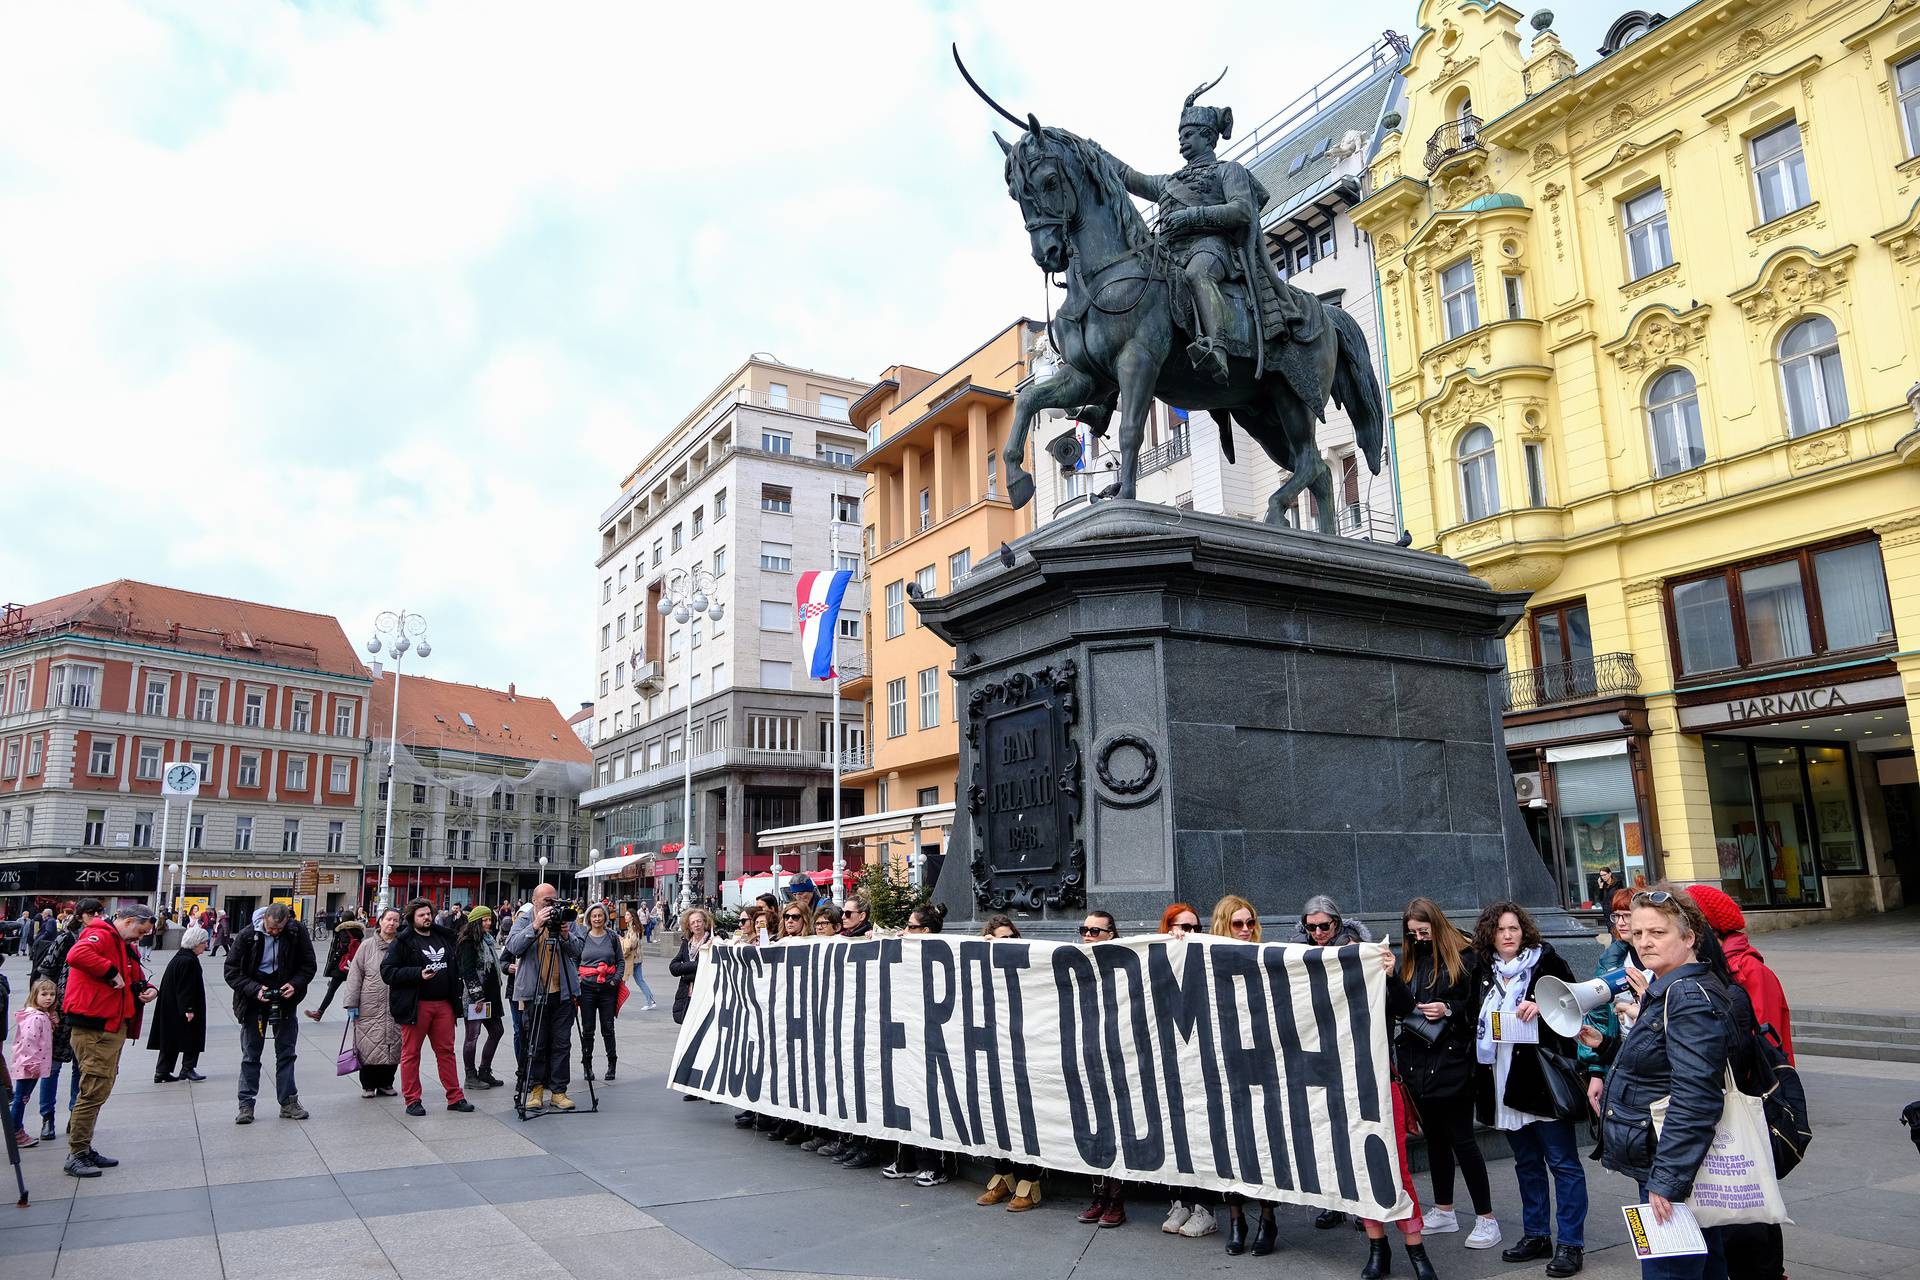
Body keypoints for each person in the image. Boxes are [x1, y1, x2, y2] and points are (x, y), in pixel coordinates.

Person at [1592, 887, 1737, 1280]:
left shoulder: (1686, 995)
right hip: (1673, 1164)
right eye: (1637, 934)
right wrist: (1606, 1048)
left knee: (1672, 1273)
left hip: (1671, 1169)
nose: (1643, 942)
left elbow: (1697, 1097)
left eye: (1657, 932)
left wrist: (1667, 1181)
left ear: (1688, 937)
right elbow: (1661, 1069)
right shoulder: (1670, 988)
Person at [1473, 901, 1587, 1277]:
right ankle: (1537, 1234)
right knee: (1526, 1163)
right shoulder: (1483, 970)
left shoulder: (1546, 963)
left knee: (1563, 1163)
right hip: (1502, 1079)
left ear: (1524, 932)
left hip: (1541, 1080)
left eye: (1514, 929)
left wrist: (1541, 1006)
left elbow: (1576, 1005)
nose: (1508, 936)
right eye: (1501, 929)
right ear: (1490, 933)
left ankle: (1571, 1243)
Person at [1687, 884, 1790, 1280]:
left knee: (1751, 1213)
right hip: (1719, 1107)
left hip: (1745, 1104)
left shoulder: (1748, 971)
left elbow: (1761, 1049)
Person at [1394, 898, 1499, 1251]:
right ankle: (1444, 1209)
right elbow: (1401, 1007)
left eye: (1424, 932)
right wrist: (1392, 979)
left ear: (1437, 926)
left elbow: (1478, 1010)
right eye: (1412, 934)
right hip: (1418, 1059)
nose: (1419, 938)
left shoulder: (1465, 958)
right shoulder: (1411, 960)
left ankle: (1486, 1218)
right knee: (1436, 1138)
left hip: (1453, 1058)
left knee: (1461, 1139)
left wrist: (1448, 1009)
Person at [1292, 894, 1375, 1230]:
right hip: (1317, 1048)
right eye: (1311, 927)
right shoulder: (1300, 951)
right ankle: (1333, 1201)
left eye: (1323, 926)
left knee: (1356, 1130)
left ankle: (1361, 1203)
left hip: (1353, 1050)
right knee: (1325, 1132)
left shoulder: (1353, 949)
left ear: (1337, 923)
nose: (1317, 933)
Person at [1206, 895, 1279, 1253]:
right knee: (1229, 1143)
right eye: (1238, 924)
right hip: (1222, 1064)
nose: (1246, 930)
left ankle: (1268, 1218)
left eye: (1250, 922)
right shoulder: (1203, 959)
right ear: (1223, 925)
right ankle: (1236, 1219)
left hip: (1260, 1061)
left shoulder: (1266, 957)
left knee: (1263, 1142)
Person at [62, 903, 157, 1178]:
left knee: (100, 1088)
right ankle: (77, 1152)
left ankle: (84, 1147)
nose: (140, 937)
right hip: (95, 1027)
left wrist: (149, 989)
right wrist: (108, 971)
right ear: (128, 921)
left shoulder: (124, 945)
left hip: (112, 1026)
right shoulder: (101, 934)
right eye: (140, 931)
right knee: (92, 1090)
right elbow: (77, 954)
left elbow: (136, 978)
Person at [1154, 902, 1220, 1241]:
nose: (1188, 933)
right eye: (1180, 926)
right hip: (1170, 1057)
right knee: (1174, 1130)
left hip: (1200, 1059)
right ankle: (1181, 1199)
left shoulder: (1206, 958)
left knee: (1199, 1132)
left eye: (1194, 927)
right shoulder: (1155, 959)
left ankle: (1204, 1209)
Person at [224, 902, 317, 1125]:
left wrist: (295, 984)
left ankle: (288, 1102)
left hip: (285, 999)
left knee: (286, 1052)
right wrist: (255, 989)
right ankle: (246, 1104)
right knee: (251, 1054)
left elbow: (308, 965)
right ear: (264, 919)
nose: (275, 933)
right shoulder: (248, 935)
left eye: (279, 929)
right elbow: (231, 971)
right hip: (254, 1000)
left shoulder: (296, 932)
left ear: (287, 922)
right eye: (271, 928)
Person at [383, 898, 472, 1117]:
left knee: (446, 1052)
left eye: (429, 914)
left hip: (443, 1004)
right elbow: (387, 972)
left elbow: (462, 941)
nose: (427, 918)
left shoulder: (443, 936)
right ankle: (412, 1100)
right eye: (422, 914)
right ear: (412, 917)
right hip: (416, 1006)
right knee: (411, 1054)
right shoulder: (403, 941)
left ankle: (455, 1097)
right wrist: (417, 974)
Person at [503, 882, 582, 1112]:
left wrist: (566, 935)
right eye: (547, 900)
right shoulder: (525, 919)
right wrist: (536, 925)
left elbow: (578, 950)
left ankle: (558, 1092)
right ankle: (536, 1090)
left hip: (563, 992)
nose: (551, 904)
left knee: (561, 1044)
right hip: (534, 993)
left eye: (554, 899)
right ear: (535, 901)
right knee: (535, 1044)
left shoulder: (566, 919)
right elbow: (513, 947)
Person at [1075, 909, 1130, 1229]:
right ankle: (1099, 1195)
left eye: (1096, 931)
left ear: (1112, 935)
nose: (1088, 935)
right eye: (1084, 929)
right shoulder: (1074, 961)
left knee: (1115, 1130)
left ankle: (1116, 1201)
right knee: (1093, 1129)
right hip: (1087, 1056)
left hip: (1119, 1058)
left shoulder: (1124, 964)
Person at [34, 898, 98, 1139]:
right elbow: (46, 969)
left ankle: (75, 1115)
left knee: (80, 1068)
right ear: (81, 915)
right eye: (91, 913)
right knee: (53, 1066)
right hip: (60, 1011)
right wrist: (48, 1007)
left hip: (84, 1012)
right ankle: (47, 1117)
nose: (96, 917)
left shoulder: (98, 940)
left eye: (99, 913)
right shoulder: (67, 938)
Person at [343, 907, 404, 1098]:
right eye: (388, 919)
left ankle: (386, 1082)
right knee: (368, 1045)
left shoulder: (402, 945)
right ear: (380, 921)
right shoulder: (367, 946)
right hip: (369, 1003)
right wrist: (351, 1003)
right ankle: (368, 1085)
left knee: (393, 1044)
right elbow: (355, 975)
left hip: (396, 1003)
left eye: (396, 920)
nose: (392, 923)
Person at [148, 926, 208, 1083]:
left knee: (170, 1039)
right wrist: (189, 1008)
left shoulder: (180, 958)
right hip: (184, 1006)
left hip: (171, 1006)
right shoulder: (189, 961)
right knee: (192, 1036)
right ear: (196, 943)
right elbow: (186, 987)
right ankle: (188, 1068)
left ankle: (162, 1071)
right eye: (204, 942)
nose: (206, 946)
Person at [456, 906, 506, 1091]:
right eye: (485, 920)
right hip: (476, 998)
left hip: (491, 996)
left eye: (490, 920)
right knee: (472, 1036)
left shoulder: (488, 940)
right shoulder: (468, 942)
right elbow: (467, 971)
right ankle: (470, 1076)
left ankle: (484, 1071)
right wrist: (477, 996)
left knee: (497, 1031)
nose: (489, 923)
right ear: (476, 922)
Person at [574, 904, 622, 1083]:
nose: (597, 919)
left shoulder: (612, 937)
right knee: (588, 1030)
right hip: (586, 988)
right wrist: (578, 978)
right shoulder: (583, 937)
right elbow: (575, 960)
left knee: (608, 1029)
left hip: (607, 989)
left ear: (605, 917)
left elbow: (620, 961)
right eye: (594, 916)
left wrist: (615, 980)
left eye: (600, 915)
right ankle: (587, 1065)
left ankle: (612, 1064)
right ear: (589, 918)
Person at [11, 978, 55, 1149]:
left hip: (32, 1066)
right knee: (20, 1099)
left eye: (52, 994)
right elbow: (29, 1043)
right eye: (44, 994)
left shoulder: (41, 1016)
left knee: (22, 1098)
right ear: (34, 995)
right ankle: (14, 1131)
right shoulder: (35, 1018)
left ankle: (16, 1129)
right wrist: (33, 1064)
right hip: (29, 1066)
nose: (48, 998)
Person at [305, 908, 363, 1021]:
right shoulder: (358, 931)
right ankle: (358, 1013)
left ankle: (319, 1013)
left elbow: (345, 946)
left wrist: (337, 954)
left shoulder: (343, 931)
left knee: (331, 990)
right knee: (356, 989)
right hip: (355, 963)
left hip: (343, 964)